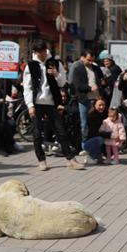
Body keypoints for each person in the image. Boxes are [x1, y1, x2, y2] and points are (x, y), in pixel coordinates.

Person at [22, 40, 84, 171]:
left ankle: (70, 159)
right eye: (40, 52)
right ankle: (41, 160)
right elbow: (27, 87)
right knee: (37, 133)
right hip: (37, 103)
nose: (43, 54)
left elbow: (62, 83)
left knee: (61, 131)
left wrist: (57, 74)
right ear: (34, 52)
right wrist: (30, 105)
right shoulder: (30, 66)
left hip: (52, 102)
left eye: (44, 51)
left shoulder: (55, 63)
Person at [68, 51, 100, 139]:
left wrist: (102, 83)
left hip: (96, 99)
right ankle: (85, 142)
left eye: (92, 60)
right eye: (89, 60)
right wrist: (90, 88)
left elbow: (101, 79)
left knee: (97, 122)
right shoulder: (78, 69)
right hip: (84, 99)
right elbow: (77, 84)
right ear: (83, 57)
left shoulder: (96, 68)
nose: (90, 62)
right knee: (84, 123)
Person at [81, 98, 110, 165]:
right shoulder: (91, 115)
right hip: (88, 141)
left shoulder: (106, 114)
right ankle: (91, 156)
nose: (102, 107)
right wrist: (110, 135)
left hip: (100, 138)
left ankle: (100, 155)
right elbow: (94, 133)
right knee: (99, 139)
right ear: (94, 105)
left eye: (103, 105)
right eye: (99, 105)